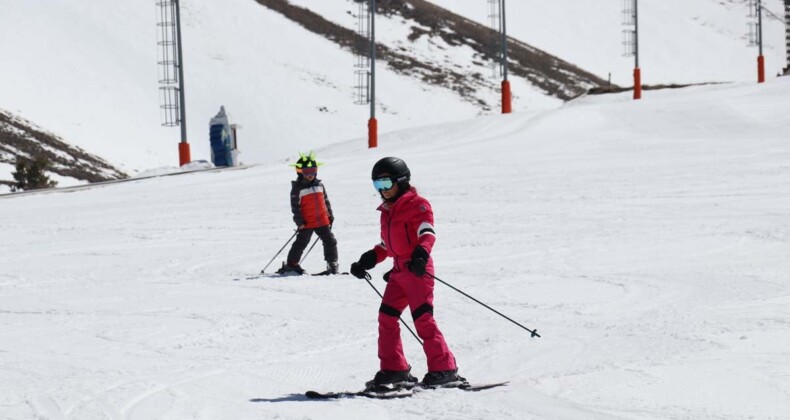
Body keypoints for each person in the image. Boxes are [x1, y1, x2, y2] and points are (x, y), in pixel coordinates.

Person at [350, 157, 461, 388]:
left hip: (417, 270)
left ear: (400, 181)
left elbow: (427, 232)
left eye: (386, 184)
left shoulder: (417, 204)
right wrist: (368, 259)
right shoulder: (386, 212)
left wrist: (421, 253)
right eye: (377, 186)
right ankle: (394, 369)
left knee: (423, 319)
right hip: (399, 272)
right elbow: (386, 245)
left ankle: (445, 368)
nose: (382, 191)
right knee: (387, 317)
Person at [276, 151, 339, 275]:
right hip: (307, 222)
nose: (310, 174)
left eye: (313, 170)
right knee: (301, 243)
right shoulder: (297, 188)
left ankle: (332, 263)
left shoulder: (320, 185)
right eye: (306, 172)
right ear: (300, 172)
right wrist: (299, 222)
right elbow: (295, 207)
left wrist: (330, 215)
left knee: (330, 241)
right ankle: (292, 264)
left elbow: (326, 201)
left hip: (322, 220)